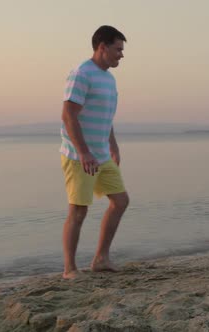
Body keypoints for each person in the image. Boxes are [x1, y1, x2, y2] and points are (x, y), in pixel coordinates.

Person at [60, 25, 129, 279]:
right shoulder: (82, 73)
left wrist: (113, 144)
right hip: (80, 156)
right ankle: (69, 269)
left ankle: (100, 258)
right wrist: (84, 152)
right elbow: (68, 116)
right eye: (118, 49)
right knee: (78, 210)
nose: (121, 55)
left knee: (120, 201)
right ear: (103, 47)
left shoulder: (109, 78)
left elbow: (105, 117)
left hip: (101, 154)